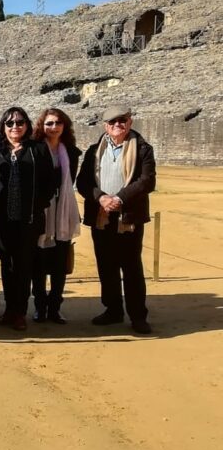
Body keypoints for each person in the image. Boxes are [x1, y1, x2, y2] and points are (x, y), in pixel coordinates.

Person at [76, 105, 155, 335]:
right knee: (106, 265)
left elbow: (147, 181)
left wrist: (119, 198)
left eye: (122, 120)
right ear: (105, 126)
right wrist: (101, 198)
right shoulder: (94, 150)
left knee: (131, 267)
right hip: (102, 216)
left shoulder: (142, 148)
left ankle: (138, 316)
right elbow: (83, 182)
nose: (117, 125)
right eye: (112, 122)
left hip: (127, 217)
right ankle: (113, 310)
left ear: (130, 122)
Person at [0, 107, 55, 331]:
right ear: (3, 126)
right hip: (2, 220)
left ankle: (20, 312)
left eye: (19, 122)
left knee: (24, 266)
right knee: (7, 265)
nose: (15, 127)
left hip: (28, 220)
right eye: (10, 123)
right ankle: (9, 309)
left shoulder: (38, 149)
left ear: (27, 125)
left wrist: (38, 205)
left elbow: (50, 182)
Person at [31, 108, 82, 324]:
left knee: (60, 264)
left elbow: (71, 182)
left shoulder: (70, 152)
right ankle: (40, 307)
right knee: (39, 264)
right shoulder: (34, 149)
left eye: (58, 123)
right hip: (42, 210)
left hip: (63, 210)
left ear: (64, 126)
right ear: (42, 126)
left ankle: (55, 307)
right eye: (49, 123)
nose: (54, 127)